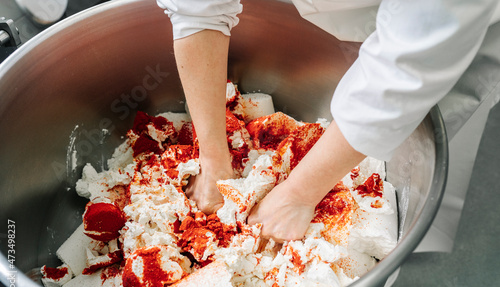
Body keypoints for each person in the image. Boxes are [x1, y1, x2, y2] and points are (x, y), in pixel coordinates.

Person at [156, 0, 500, 245]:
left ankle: (400, 255)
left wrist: (298, 195)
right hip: (335, 14)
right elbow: (195, 10)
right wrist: (213, 157)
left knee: (425, 171)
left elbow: (408, 71)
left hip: (445, 44)